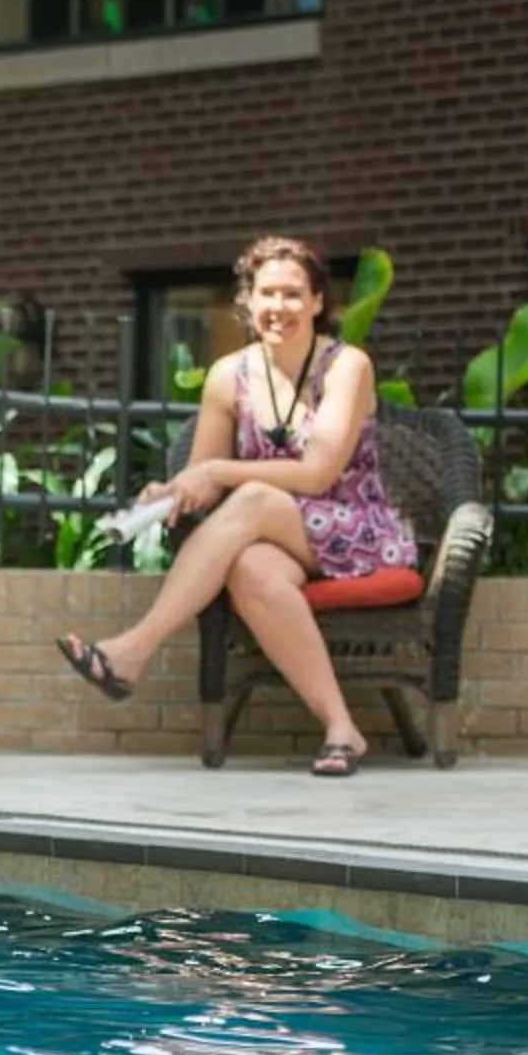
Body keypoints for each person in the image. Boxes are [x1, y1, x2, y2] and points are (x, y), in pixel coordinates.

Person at [54, 233, 417, 778]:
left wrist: (219, 472)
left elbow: (317, 474)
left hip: (353, 527)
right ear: (247, 301)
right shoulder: (229, 375)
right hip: (270, 533)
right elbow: (205, 477)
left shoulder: (347, 366)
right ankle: (342, 730)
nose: (279, 307)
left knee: (250, 497)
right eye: (266, 293)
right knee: (252, 572)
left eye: (293, 294)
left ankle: (134, 649)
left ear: (319, 302)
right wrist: (174, 491)